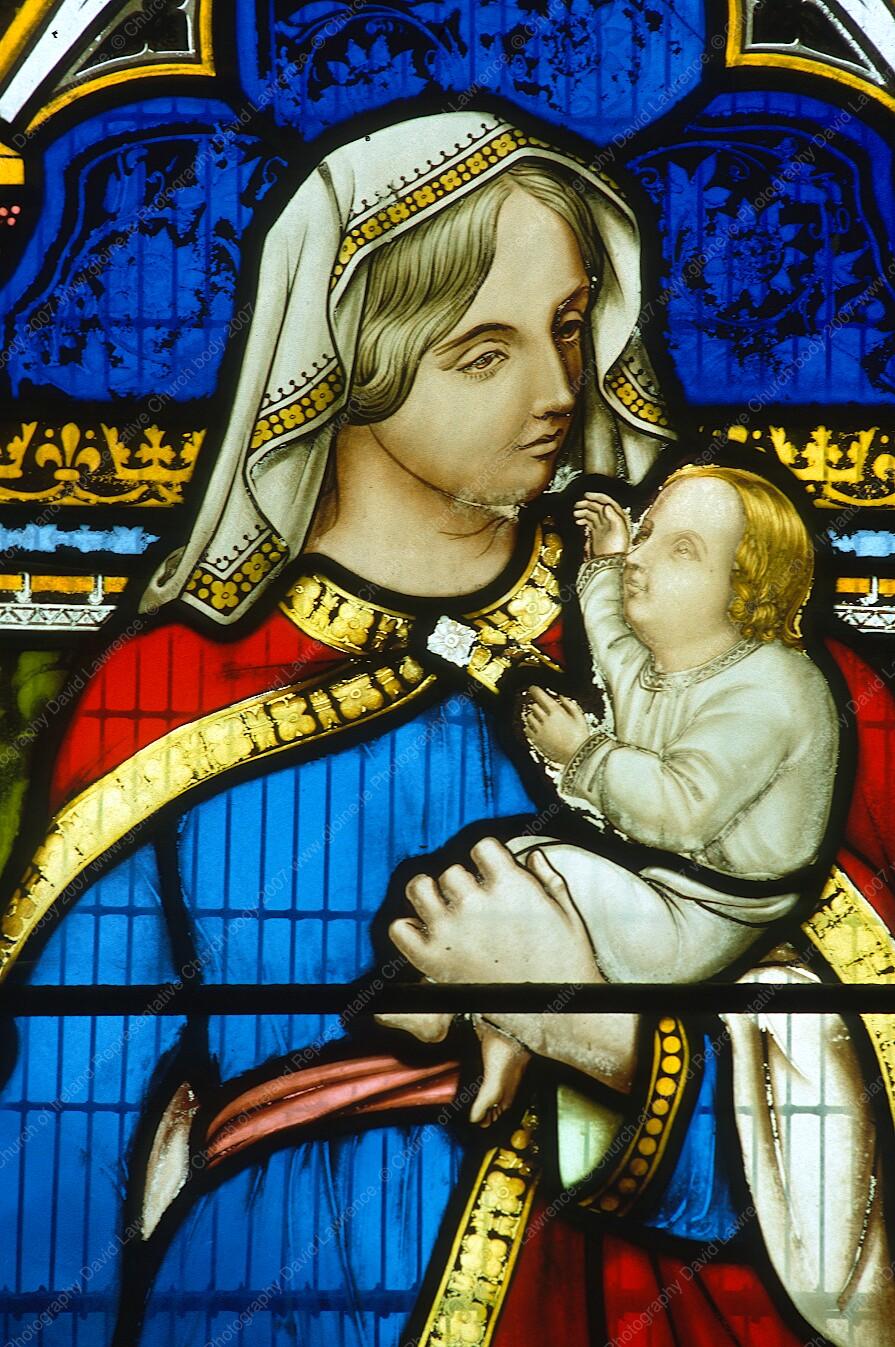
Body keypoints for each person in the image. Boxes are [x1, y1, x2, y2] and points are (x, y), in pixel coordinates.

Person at [0, 110, 891, 1347]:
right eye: (485, 353)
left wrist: (590, 1023)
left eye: (569, 328)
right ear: (347, 367)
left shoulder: (721, 660)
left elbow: (857, 1173)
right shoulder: (167, 697)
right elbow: (55, 1157)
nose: (559, 391)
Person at [385, 464, 839, 1124]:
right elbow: (613, 643)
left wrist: (584, 753)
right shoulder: (670, 662)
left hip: (712, 920)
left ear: (746, 586)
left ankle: (444, 1004)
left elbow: (682, 813)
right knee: (518, 857)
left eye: (681, 550)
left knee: (547, 868)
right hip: (665, 891)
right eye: (646, 534)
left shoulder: (770, 689)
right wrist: (603, 562)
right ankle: (498, 1034)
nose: (642, 558)